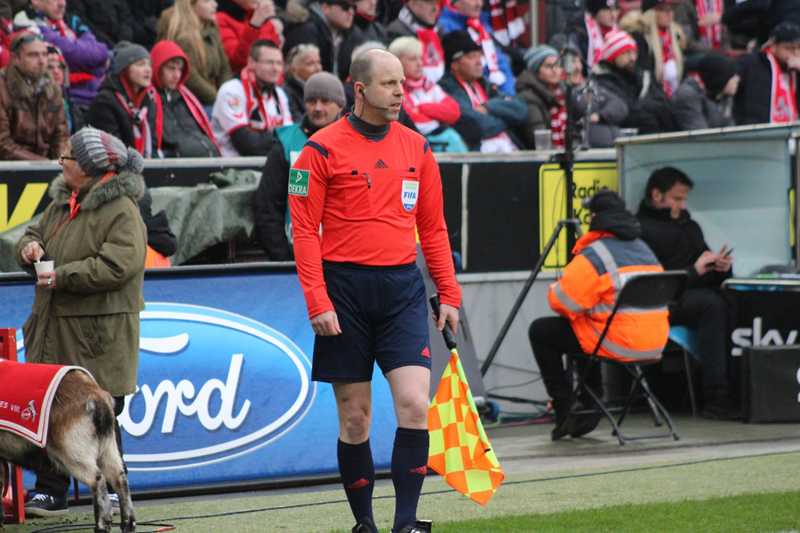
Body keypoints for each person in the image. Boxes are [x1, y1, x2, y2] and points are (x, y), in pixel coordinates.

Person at [288, 49, 461, 533]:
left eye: (403, 83)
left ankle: (405, 523)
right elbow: (303, 232)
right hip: (343, 292)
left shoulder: (418, 148)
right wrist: (317, 301)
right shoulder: (318, 151)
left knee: (414, 405)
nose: (400, 92)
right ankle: (364, 523)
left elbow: (435, 228)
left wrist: (448, 293)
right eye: (389, 84)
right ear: (359, 90)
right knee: (356, 419)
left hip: (403, 288)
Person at [14, 126, 147, 517]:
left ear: (87, 168)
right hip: (54, 325)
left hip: (97, 337)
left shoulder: (122, 209)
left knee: (101, 413)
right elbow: (30, 233)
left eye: (67, 157)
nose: (61, 162)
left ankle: (112, 496)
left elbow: (118, 266)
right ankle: (52, 493)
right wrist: (29, 248)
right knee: (49, 409)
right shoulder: (62, 200)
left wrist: (63, 275)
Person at [529, 189, 667, 440]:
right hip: (656, 343)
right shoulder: (645, 249)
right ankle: (589, 398)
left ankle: (565, 406)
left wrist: (554, 289)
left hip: (618, 343)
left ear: (593, 217)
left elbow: (563, 303)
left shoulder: (596, 254)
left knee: (541, 330)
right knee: (583, 322)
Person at [636, 167, 740, 420]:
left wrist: (722, 268)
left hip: (699, 293)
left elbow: (704, 264)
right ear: (657, 195)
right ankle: (717, 399)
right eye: (677, 198)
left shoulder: (689, 224)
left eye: (684, 199)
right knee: (712, 305)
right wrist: (693, 272)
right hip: (665, 301)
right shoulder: (641, 230)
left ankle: (742, 391)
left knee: (737, 299)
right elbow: (652, 280)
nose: (682, 205)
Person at [254, 71, 344, 261]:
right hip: (295, 260)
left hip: (345, 260)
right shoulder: (286, 145)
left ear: (340, 106)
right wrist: (282, 259)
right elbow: (268, 206)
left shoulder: (355, 143)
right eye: (311, 101)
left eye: (325, 101)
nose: (317, 108)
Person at [578, 30, 675, 147]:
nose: (633, 58)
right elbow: (624, 109)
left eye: (634, 53)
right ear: (613, 55)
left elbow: (664, 103)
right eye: (627, 53)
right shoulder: (601, 81)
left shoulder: (643, 77)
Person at [439, 30, 526, 152]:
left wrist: (488, 107)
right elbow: (478, 127)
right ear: (454, 64)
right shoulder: (445, 90)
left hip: (511, 149)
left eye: (480, 56)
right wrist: (507, 119)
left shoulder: (485, 85)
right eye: (471, 57)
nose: (479, 62)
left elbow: (521, 108)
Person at [14, 0, 110, 109]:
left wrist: (99, 56)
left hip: (92, 94)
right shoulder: (25, 20)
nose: (62, 4)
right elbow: (68, 53)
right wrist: (94, 62)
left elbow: (99, 58)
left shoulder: (72, 20)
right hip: (65, 98)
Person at [211, 39, 292, 156]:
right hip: (233, 166)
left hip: (268, 162)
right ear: (251, 62)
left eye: (279, 63)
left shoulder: (280, 94)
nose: (276, 68)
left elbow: (290, 138)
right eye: (269, 62)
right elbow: (246, 143)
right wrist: (279, 139)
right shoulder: (231, 91)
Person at [86, 41, 163, 158]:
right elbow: (111, 149)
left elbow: (153, 144)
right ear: (125, 70)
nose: (148, 70)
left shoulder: (148, 102)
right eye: (141, 64)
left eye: (149, 65)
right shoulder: (105, 101)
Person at [389, 36, 465, 152]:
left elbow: (454, 112)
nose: (419, 63)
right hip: (418, 146)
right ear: (397, 62)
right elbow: (416, 123)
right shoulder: (394, 89)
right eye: (412, 59)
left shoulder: (428, 85)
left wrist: (422, 108)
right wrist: (438, 117)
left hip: (443, 141)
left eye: (420, 58)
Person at [0, 30, 68, 160]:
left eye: (44, 54)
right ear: (15, 58)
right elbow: (2, 144)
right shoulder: (2, 88)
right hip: (10, 171)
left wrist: (60, 165)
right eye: (33, 55)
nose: (42, 61)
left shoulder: (53, 89)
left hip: (48, 166)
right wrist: (41, 166)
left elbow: (61, 137)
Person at [151, 40, 221, 157]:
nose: (177, 75)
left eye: (180, 69)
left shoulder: (185, 97)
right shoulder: (149, 100)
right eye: (171, 68)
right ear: (157, 68)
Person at [157, 0, 232, 106]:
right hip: (188, 103)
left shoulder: (212, 30)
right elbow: (191, 77)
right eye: (207, 1)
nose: (215, 4)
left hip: (212, 100)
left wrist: (227, 95)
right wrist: (219, 100)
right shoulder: (181, 36)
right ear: (190, 6)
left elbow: (224, 68)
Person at [436, 0, 516, 95]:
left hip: (492, 92)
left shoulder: (480, 26)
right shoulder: (445, 27)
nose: (479, 4)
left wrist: (509, 95)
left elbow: (500, 62)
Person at [734, 22, 800, 125]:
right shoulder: (751, 64)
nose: (796, 53)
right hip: (757, 132)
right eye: (788, 48)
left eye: (799, 48)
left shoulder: (796, 72)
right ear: (773, 46)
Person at [283, 0, 365, 82]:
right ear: (325, 8)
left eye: (353, 7)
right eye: (345, 7)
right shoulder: (306, 31)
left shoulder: (354, 34)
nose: (351, 12)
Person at [621, 0, 686, 97]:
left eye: (671, 9)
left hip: (674, 93)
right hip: (651, 96)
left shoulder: (676, 35)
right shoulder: (641, 38)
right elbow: (644, 74)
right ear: (651, 14)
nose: (670, 14)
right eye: (664, 10)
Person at [515, 45, 570, 150]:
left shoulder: (562, 93)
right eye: (549, 66)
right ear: (536, 70)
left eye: (558, 65)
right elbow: (539, 139)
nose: (555, 71)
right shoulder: (528, 98)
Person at [672, 52, 738, 130]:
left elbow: (730, 130)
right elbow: (701, 136)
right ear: (720, 80)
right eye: (731, 76)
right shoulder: (687, 97)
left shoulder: (724, 96)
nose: (737, 79)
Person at [216, 0, 281, 74]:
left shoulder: (267, 22)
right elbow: (237, 62)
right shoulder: (221, 18)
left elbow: (278, 60)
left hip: (268, 80)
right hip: (239, 80)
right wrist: (254, 25)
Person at [386, 0, 444, 81]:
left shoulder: (439, 31)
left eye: (436, 3)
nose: (436, 9)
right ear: (412, 4)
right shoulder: (396, 33)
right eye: (430, 3)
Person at [566, 0, 619, 76]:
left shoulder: (618, 32)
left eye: (615, 9)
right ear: (595, 11)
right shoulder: (580, 33)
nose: (613, 15)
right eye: (606, 10)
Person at [64, 0, 134, 48]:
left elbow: (125, 16)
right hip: (97, 44)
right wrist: (110, 45)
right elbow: (81, 21)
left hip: (124, 42)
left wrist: (124, 41)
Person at [46, 44, 83, 134]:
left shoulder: (71, 105)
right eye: (50, 67)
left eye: (60, 67)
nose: (56, 71)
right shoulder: (38, 103)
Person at [281, 43, 323, 121]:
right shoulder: (286, 93)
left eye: (318, 62)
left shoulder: (321, 89)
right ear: (294, 70)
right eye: (310, 64)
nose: (318, 68)